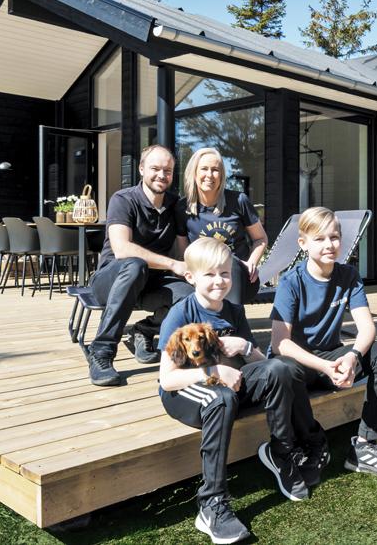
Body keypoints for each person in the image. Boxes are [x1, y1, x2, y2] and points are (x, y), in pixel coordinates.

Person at [158, 237, 323, 544]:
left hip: (230, 385)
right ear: (191, 277)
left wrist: (246, 346)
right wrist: (214, 371)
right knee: (220, 397)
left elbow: (260, 364)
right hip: (187, 392)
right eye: (210, 274)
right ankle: (212, 503)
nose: (219, 281)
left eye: (225, 273)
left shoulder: (234, 310)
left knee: (282, 367)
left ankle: (282, 454)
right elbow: (167, 380)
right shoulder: (181, 313)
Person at [271, 206, 377, 476]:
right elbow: (280, 343)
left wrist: (353, 356)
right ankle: (310, 442)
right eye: (319, 239)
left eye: (334, 237)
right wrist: (324, 366)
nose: (329, 245)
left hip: (333, 358)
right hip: (299, 365)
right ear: (303, 243)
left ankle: (364, 444)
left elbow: (367, 328)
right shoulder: (291, 281)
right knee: (285, 368)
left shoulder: (348, 276)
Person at [88, 145, 194, 387]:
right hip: (111, 280)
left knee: (189, 295)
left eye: (167, 171)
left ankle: (145, 329)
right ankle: (101, 351)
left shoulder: (174, 205)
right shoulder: (123, 199)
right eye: (155, 168)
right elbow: (122, 249)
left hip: (150, 284)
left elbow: (182, 251)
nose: (161, 175)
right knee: (135, 265)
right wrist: (173, 264)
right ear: (142, 169)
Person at [175, 147, 268, 305]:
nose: (210, 175)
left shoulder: (239, 201)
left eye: (215, 170)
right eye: (204, 169)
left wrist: (251, 263)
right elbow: (185, 254)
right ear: (194, 173)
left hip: (237, 276)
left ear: (222, 175)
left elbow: (260, 238)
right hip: (204, 279)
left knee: (231, 262)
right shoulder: (182, 208)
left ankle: (232, 319)